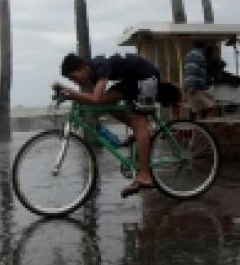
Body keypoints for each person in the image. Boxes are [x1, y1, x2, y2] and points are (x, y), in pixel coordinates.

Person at [53, 52, 160, 198]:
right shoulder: (92, 74)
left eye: (74, 77)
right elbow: (95, 99)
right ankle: (142, 132)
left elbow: (95, 98)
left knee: (139, 120)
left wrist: (69, 92)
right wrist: (70, 94)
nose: (75, 82)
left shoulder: (100, 66)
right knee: (106, 104)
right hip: (131, 81)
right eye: (71, 80)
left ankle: (145, 176)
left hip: (146, 77)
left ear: (84, 67)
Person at [183, 41, 219, 119]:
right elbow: (192, 72)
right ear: (204, 46)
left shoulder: (191, 55)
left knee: (198, 112)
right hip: (197, 89)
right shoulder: (197, 55)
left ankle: (199, 129)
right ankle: (203, 129)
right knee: (213, 107)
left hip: (195, 88)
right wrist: (191, 88)